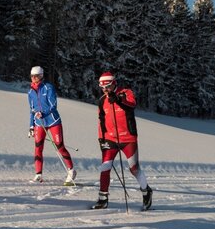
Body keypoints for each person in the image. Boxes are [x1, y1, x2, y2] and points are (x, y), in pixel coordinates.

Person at [91, 71, 153, 211]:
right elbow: (101, 121)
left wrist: (118, 100)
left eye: (107, 86)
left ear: (113, 84)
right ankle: (103, 199)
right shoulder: (102, 100)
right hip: (110, 139)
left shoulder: (126, 93)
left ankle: (146, 191)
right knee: (105, 167)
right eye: (102, 87)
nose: (105, 90)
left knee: (134, 168)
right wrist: (101, 138)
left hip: (128, 138)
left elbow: (131, 105)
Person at [27, 66, 76, 185]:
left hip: (53, 121)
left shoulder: (48, 87)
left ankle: (71, 171)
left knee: (60, 146)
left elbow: (53, 105)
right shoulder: (30, 92)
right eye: (32, 76)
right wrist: (31, 126)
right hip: (39, 123)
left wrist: (43, 113)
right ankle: (38, 174)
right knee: (38, 147)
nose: (34, 78)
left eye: (36, 76)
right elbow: (32, 110)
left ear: (41, 76)